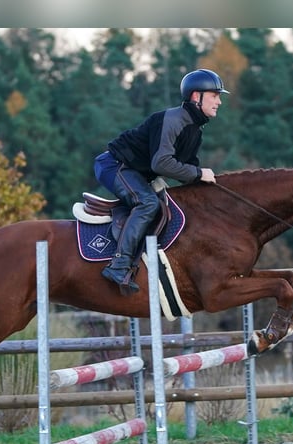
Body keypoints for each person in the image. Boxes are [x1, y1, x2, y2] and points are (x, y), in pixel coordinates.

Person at [93, 68, 229, 294]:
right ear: (197, 96)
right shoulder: (173, 120)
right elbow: (162, 164)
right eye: (215, 95)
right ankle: (118, 265)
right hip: (115, 166)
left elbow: (187, 170)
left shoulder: (195, 129)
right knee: (147, 203)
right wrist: (198, 174)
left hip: (137, 172)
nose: (219, 102)